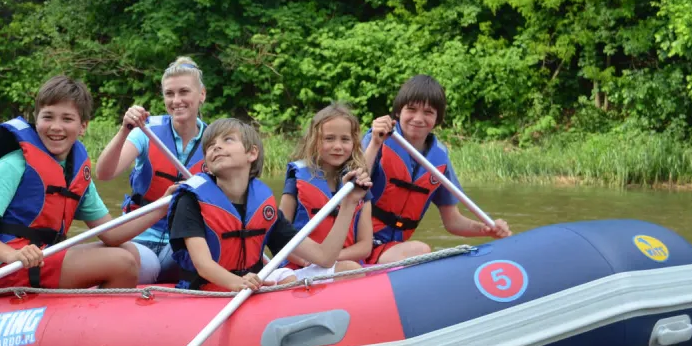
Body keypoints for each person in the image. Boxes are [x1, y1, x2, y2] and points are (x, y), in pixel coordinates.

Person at [0, 76, 170, 289]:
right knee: (122, 263)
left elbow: (112, 234)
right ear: (36, 118)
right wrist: (13, 255)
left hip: (42, 256)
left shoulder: (76, 172)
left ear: (83, 126)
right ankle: (95, 319)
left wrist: (162, 206)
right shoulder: (13, 165)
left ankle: (85, 312)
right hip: (4, 266)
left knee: (131, 252)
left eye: (67, 119)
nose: (56, 127)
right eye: (48, 117)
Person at [168, 119, 371, 292]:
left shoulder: (264, 206)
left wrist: (349, 203)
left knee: (348, 269)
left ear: (252, 153)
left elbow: (324, 257)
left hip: (253, 285)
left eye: (227, 140)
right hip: (209, 292)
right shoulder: (191, 200)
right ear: (207, 163)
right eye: (210, 145)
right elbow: (203, 265)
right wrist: (239, 283)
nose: (216, 147)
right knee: (287, 281)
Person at [363, 75, 511, 264]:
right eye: (411, 109)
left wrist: (486, 229)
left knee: (419, 250)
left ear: (437, 118)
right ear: (399, 111)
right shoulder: (377, 140)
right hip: (356, 242)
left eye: (428, 112)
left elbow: (452, 221)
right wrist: (375, 143)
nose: (418, 118)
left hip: (390, 248)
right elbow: (352, 183)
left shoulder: (439, 160)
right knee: (421, 249)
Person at [94, 56, 208, 283]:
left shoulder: (215, 140)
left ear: (201, 95)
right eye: (169, 94)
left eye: (184, 92)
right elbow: (104, 174)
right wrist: (124, 130)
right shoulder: (146, 132)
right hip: (140, 238)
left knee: (199, 259)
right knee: (148, 265)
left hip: (187, 243)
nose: (176, 100)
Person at [280, 103, 372, 271]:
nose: (337, 146)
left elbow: (365, 246)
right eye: (329, 138)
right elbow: (278, 234)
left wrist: (327, 258)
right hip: (301, 267)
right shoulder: (297, 178)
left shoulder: (359, 183)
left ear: (354, 143)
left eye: (345, 139)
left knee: (350, 268)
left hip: (342, 263)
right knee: (350, 269)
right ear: (315, 141)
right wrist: (309, 260)